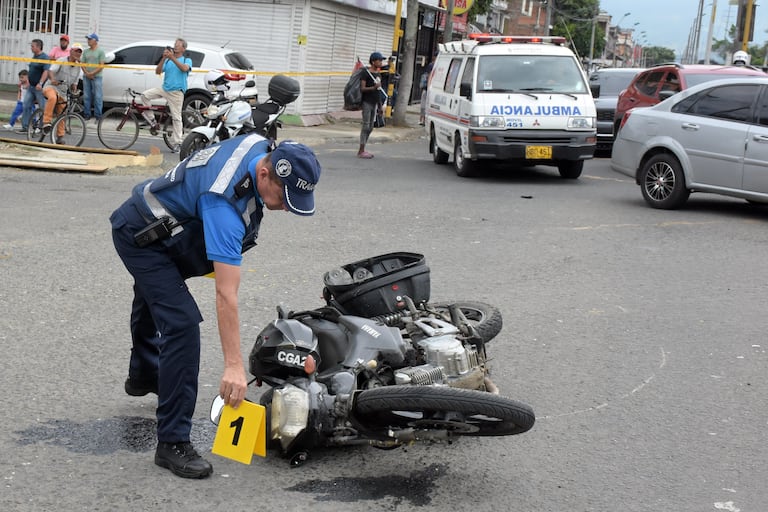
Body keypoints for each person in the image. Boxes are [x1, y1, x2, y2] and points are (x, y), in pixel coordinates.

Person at [110, 136, 321, 479]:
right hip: (142, 237)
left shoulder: (260, 146)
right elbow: (226, 294)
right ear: (265, 173)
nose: (285, 206)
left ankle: (144, 375)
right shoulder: (224, 204)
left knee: (154, 297)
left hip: (168, 229)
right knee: (181, 324)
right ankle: (172, 442)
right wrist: (234, 366)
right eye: (284, 197)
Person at [140, 38, 192, 153]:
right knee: (145, 95)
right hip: (164, 89)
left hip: (177, 92)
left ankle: (178, 143)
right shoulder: (168, 61)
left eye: (178, 45)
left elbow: (184, 69)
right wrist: (163, 58)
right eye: (175, 44)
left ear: (183, 48)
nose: (175, 46)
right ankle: (152, 120)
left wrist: (172, 57)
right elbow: (158, 71)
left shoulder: (186, 60)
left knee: (176, 117)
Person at [42, 43, 83, 143]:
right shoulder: (61, 60)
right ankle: (46, 122)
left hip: (63, 92)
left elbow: (74, 83)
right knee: (52, 98)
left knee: (63, 112)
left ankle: (60, 136)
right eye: (76, 51)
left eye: (79, 52)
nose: (77, 53)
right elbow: (51, 71)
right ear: (71, 51)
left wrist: (75, 91)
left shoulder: (78, 67)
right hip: (51, 87)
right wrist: (52, 80)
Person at [357, 51, 385, 159]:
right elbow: (362, 88)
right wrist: (373, 87)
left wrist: (380, 105)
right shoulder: (366, 73)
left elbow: (378, 91)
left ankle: (363, 148)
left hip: (374, 103)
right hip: (367, 102)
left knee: (371, 127)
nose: (381, 62)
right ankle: (361, 150)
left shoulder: (378, 74)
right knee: (366, 125)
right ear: (373, 61)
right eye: (379, 60)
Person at [18, 39, 50, 134]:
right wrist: (27, 81)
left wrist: (40, 83)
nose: (31, 48)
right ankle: (25, 127)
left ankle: (41, 127)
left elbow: (46, 71)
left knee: (42, 108)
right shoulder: (34, 57)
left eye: (33, 46)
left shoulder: (44, 58)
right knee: (26, 105)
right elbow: (31, 70)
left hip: (39, 88)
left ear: (38, 47)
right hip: (31, 87)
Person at [82, 33, 105, 121]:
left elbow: (101, 65)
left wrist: (92, 73)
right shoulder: (86, 51)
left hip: (97, 76)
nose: (88, 41)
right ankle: (87, 114)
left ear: (95, 41)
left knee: (98, 96)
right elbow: (82, 63)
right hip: (86, 76)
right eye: (88, 39)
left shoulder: (100, 51)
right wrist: (87, 73)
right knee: (87, 96)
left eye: (90, 39)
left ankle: (98, 115)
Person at [419, 52, 436, 126]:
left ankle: (422, 120)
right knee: (425, 104)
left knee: (424, 104)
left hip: (428, 89)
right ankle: (423, 120)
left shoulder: (432, 65)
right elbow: (429, 76)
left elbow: (428, 76)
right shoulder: (433, 65)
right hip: (430, 88)